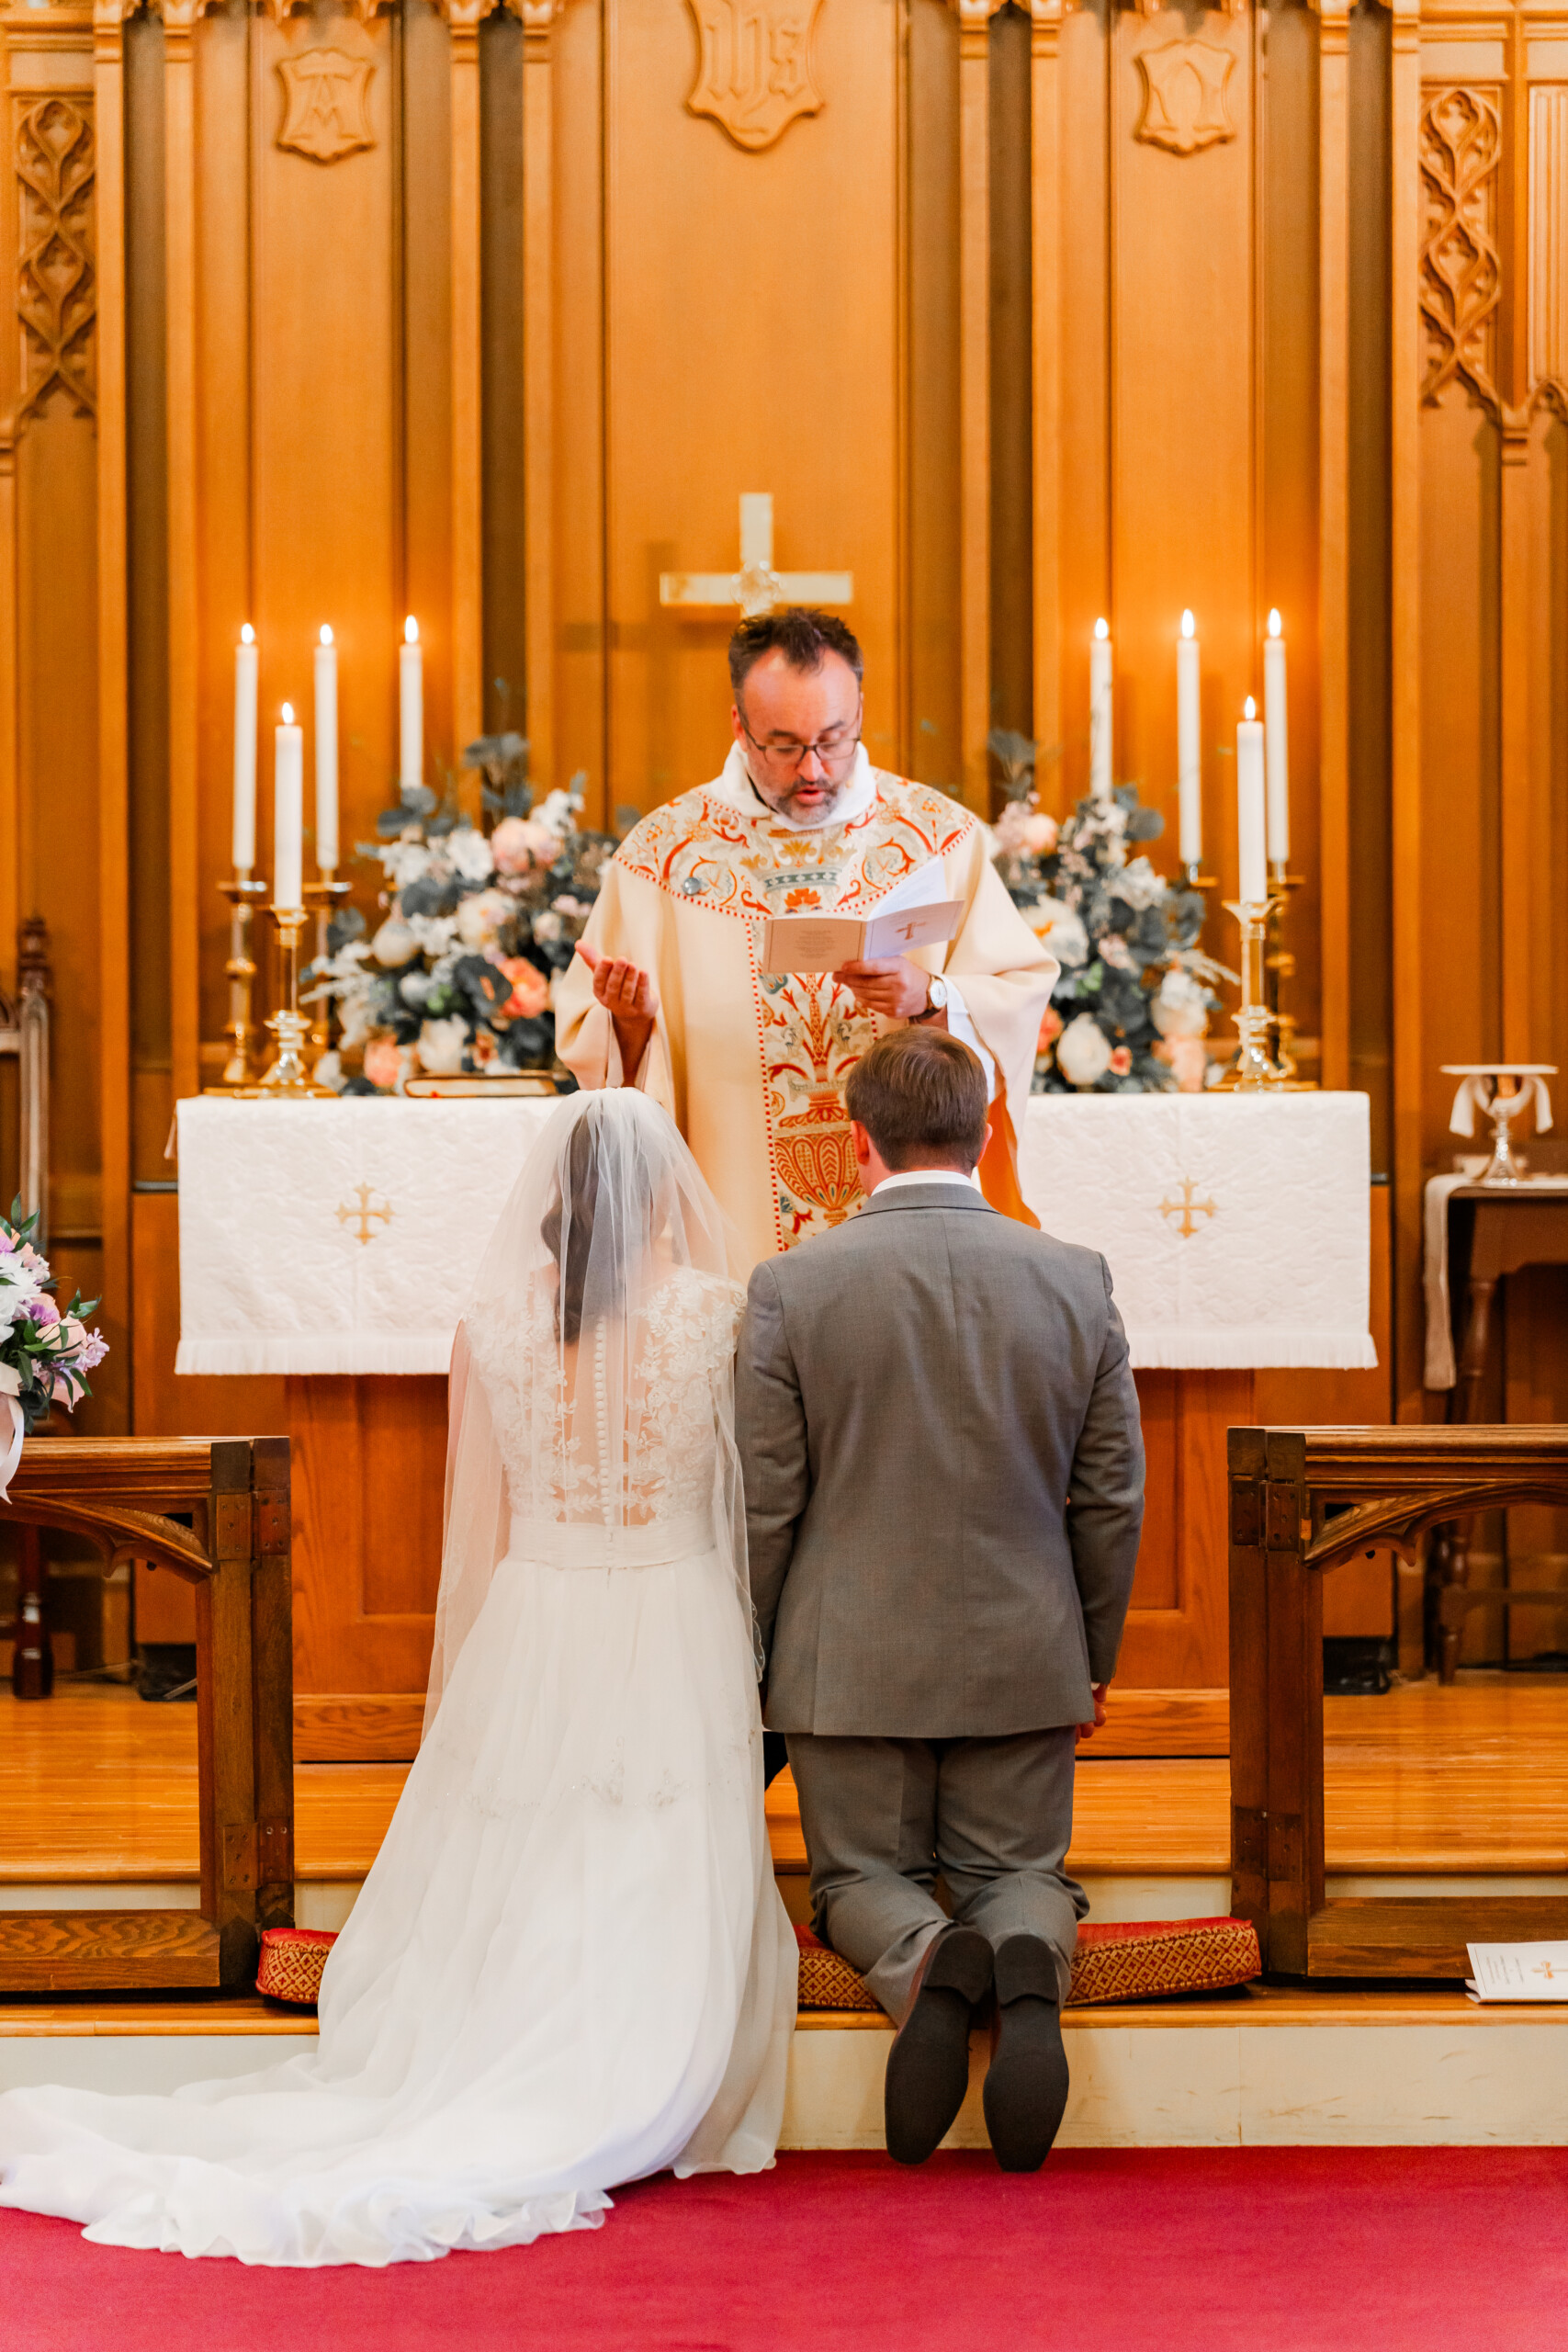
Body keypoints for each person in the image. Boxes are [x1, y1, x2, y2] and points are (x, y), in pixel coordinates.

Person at [0, 1092, 795, 2266]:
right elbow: (747, 1500)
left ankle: (500, 2029)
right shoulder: (713, 1315)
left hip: (536, 1608)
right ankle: (620, 2046)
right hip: (671, 1605)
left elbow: (480, 1516)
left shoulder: (493, 1320)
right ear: (665, 1197)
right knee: (646, 1829)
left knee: (535, 1827)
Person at [735, 1027, 1144, 2173]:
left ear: (856, 1141)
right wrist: (1090, 1656)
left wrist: (753, 1658)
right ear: (984, 1134)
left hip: (845, 1660)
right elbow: (1110, 1496)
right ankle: (1021, 1959)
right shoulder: (1074, 1276)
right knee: (1023, 1869)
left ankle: (923, 1963)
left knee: (861, 1876)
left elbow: (769, 1505)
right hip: (1024, 1649)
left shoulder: (793, 1285)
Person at [555, 607, 1055, 1270]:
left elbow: (1015, 995)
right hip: (732, 1224)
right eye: (784, 745)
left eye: (833, 738)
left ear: (859, 712)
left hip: (905, 1238)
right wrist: (630, 1026)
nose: (813, 769)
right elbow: (601, 1062)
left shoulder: (935, 839)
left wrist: (931, 996)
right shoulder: (664, 858)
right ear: (739, 725)